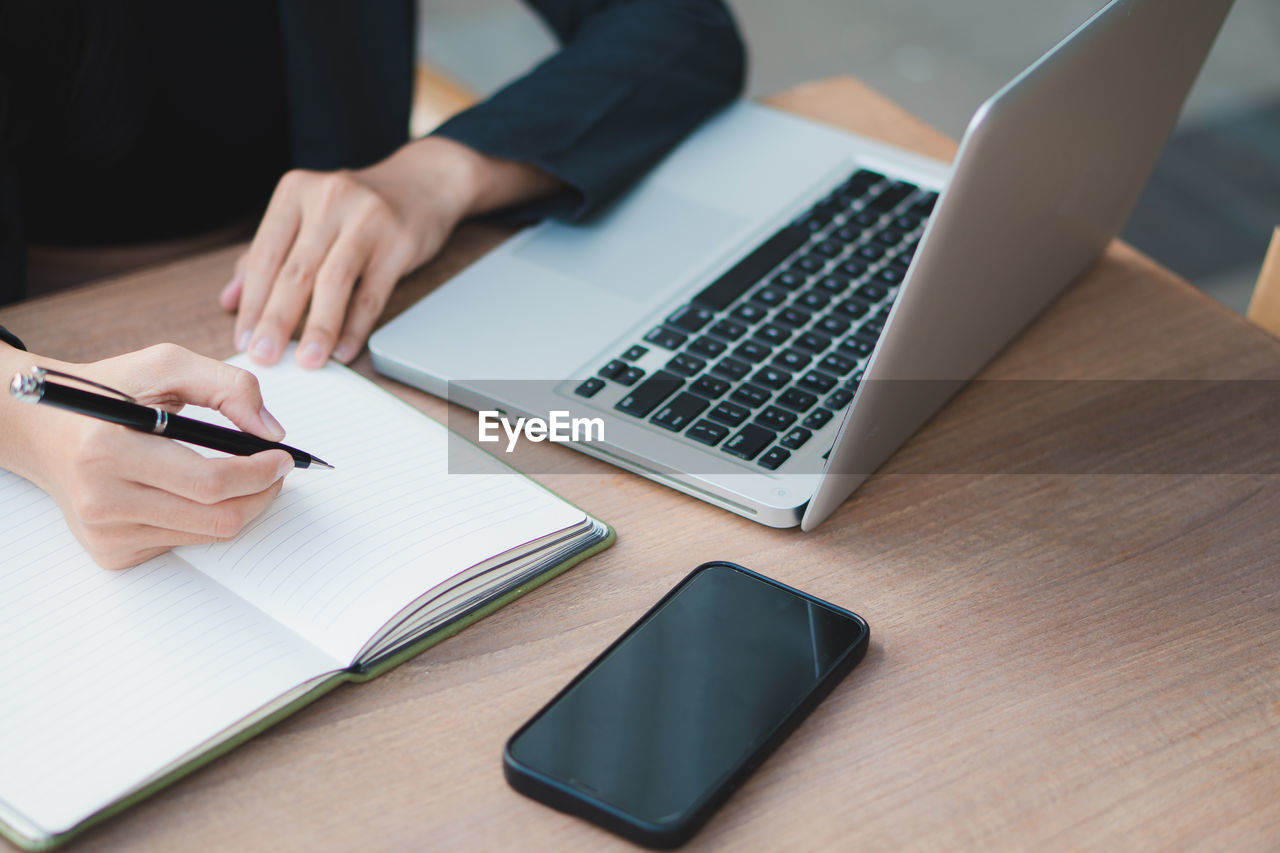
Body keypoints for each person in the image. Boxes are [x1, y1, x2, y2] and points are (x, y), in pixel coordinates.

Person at [0, 0, 744, 567]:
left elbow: (679, 22)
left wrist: (442, 171)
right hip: (43, 321)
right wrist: (23, 413)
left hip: (369, 276)